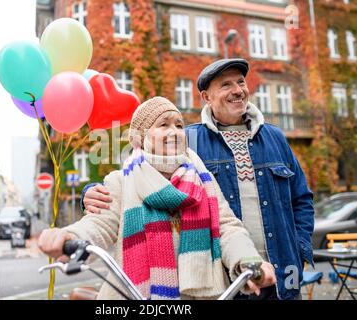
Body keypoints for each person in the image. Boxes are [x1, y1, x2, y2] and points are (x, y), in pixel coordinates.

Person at [80, 59, 315, 300]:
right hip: (225, 280)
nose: (237, 90)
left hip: (281, 271)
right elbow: (144, 171)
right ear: (206, 96)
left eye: (241, 82)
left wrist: (299, 248)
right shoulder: (187, 139)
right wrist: (90, 191)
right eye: (225, 85)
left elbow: (302, 198)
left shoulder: (275, 138)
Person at [38, 96, 276, 300]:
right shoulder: (120, 181)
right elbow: (99, 224)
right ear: (141, 137)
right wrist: (70, 236)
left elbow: (228, 228)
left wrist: (247, 259)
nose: (174, 132)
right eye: (163, 125)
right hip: (136, 295)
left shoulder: (203, 180)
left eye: (179, 125)